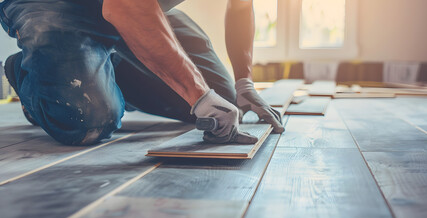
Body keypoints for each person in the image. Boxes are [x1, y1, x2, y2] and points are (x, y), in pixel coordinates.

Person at [0, 0, 284, 146]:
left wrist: (244, 83)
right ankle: (30, 78)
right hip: (57, 5)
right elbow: (125, 6)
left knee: (223, 101)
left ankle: (105, 68)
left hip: (138, 7)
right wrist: (199, 95)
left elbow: (241, 6)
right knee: (86, 119)